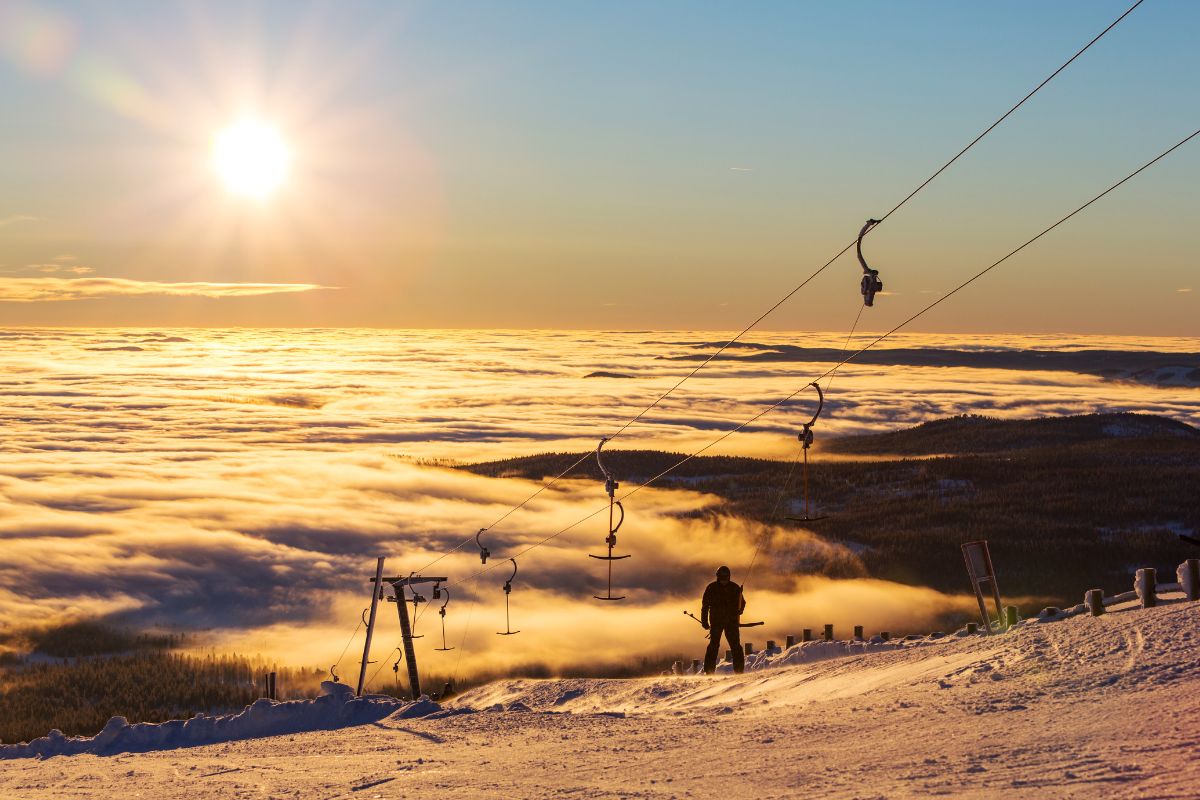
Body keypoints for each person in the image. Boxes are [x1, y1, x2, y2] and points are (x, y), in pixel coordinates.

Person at [701, 565, 746, 674]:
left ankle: (739, 672)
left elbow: (742, 603)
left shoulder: (734, 588)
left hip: (731, 622)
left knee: (735, 646)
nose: (724, 580)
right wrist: (704, 621)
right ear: (718, 577)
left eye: (725, 578)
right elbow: (705, 606)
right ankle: (709, 672)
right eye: (722, 578)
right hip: (717, 622)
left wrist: (739, 611)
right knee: (714, 646)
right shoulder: (712, 588)